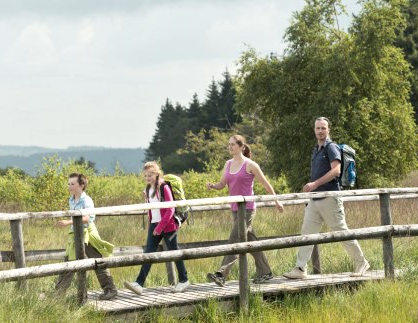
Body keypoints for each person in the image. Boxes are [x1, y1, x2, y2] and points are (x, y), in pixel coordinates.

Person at [283, 117, 370, 279]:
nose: (320, 131)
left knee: (341, 232)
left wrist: (315, 183)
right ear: (314, 130)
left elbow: (336, 171)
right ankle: (300, 269)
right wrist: (313, 188)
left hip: (330, 197)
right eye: (318, 128)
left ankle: (361, 262)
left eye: (323, 128)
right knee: (307, 233)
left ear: (328, 130)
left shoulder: (331, 148)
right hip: (315, 200)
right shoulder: (316, 149)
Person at [206, 135, 284, 287]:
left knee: (235, 239)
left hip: (247, 209)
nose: (230, 147)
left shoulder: (250, 165)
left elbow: (266, 183)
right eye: (229, 145)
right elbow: (223, 184)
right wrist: (213, 186)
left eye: (233, 144)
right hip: (235, 209)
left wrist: (276, 200)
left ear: (242, 147)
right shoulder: (228, 164)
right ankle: (265, 272)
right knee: (251, 240)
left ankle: (221, 274)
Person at [124, 161, 190, 295]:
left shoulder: (164, 187)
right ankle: (139, 283)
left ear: (156, 174)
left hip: (168, 226)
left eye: (150, 175)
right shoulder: (148, 189)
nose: (148, 178)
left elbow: (170, 209)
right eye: (145, 175)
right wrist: (152, 224)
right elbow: (152, 209)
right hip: (155, 225)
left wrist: (160, 227)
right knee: (148, 253)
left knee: (174, 252)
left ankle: (184, 280)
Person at [55, 173, 118, 300]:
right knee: (69, 261)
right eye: (69, 184)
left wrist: (68, 222)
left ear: (82, 185)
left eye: (73, 184)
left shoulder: (86, 200)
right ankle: (58, 294)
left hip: (87, 233)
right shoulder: (71, 199)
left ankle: (110, 290)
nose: (70, 186)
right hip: (76, 235)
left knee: (97, 261)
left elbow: (88, 217)